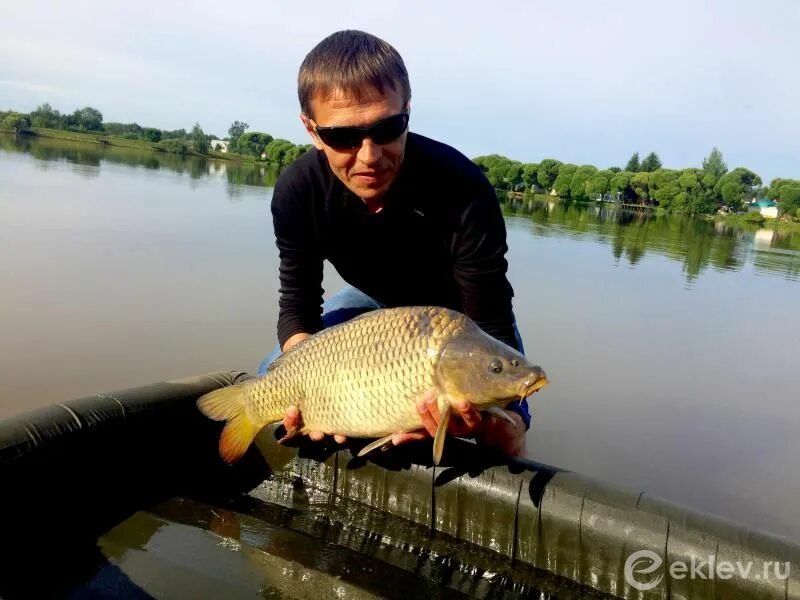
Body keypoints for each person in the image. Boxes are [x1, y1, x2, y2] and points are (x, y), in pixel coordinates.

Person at [259, 30, 530, 457]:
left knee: (502, 432)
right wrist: (313, 385)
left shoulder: (463, 188)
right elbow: (298, 309)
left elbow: (491, 319)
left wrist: (470, 411)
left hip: (459, 315)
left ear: (407, 112)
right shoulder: (298, 191)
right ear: (311, 131)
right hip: (374, 308)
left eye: (387, 128)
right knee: (273, 380)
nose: (369, 155)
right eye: (343, 137)